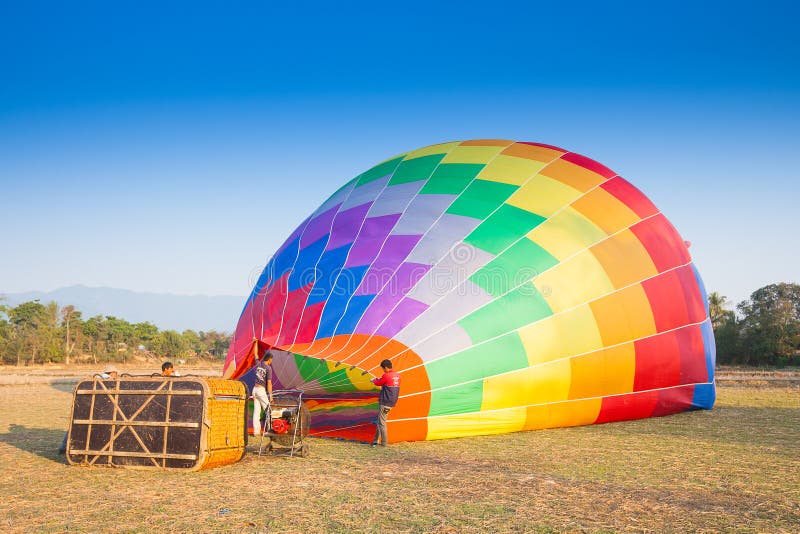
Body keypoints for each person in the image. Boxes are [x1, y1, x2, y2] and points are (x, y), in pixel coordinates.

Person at [371, 359, 400, 447]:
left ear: (386, 367)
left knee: (381, 423)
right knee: (380, 421)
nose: (383, 370)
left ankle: (384, 443)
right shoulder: (397, 375)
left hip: (385, 402)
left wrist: (373, 380)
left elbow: (378, 383)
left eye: (383, 369)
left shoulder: (386, 375)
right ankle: (375, 440)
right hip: (392, 402)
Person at [252, 351, 273, 437]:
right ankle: (269, 430)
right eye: (272, 359)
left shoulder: (258, 364)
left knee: (257, 411)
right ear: (269, 359)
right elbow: (269, 383)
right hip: (261, 390)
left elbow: (256, 354)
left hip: (254, 390)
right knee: (269, 410)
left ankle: (256, 432)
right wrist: (270, 396)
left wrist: (255, 342)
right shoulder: (268, 368)